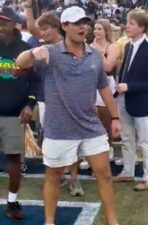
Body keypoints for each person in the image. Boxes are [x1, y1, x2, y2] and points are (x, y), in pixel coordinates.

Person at [15, 6, 121, 225]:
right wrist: (33, 52)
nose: (84, 26)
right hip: (59, 129)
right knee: (53, 177)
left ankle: (113, 221)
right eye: (77, 22)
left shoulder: (94, 55)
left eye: (85, 22)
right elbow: (20, 63)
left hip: (90, 127)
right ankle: (49, 221)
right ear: (64, 27)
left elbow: (103, 88)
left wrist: (115, 117)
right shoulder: (50, 52)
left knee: (105, 175)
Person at [24, 1, 85, 196]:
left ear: (56, 28)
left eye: (45, 29)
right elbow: (23, 63)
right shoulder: (38, 45)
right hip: (45, 99)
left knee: (73, 139)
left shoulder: (70, 44)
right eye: (40, 29)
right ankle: (56, 176)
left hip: (70, 101)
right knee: (50, 140)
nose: (41, 33)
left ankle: (74, 179)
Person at [113, 9, 148, 191]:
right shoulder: (128, 46)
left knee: (145, 141)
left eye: (131, 23)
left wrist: (129, 87)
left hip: (140, 102)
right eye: (128, 22)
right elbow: (126, 71)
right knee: (126, 138)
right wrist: (120, 89)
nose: (127, 26)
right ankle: (128, 170)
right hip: (125, 100)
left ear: (142, 27)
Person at [0, 6, 39, 221]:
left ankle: (12, 202)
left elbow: (34, 82)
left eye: (4, 22)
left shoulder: (25, 49)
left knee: (13, 159)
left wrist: (29, 105)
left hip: (14, 114)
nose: (0, 27)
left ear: (15, 24)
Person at [79, 18, 119, 169]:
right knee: (91, 118)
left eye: (99, 29)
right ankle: (89, 154)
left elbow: (108, 67)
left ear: (106, 31)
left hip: (107, 84)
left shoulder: (112, 46)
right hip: (91, 84)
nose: (96, 32)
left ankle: (108, 148)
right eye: (95, 29)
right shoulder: (88, 46)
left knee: (105, 119)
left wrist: (97, 51)